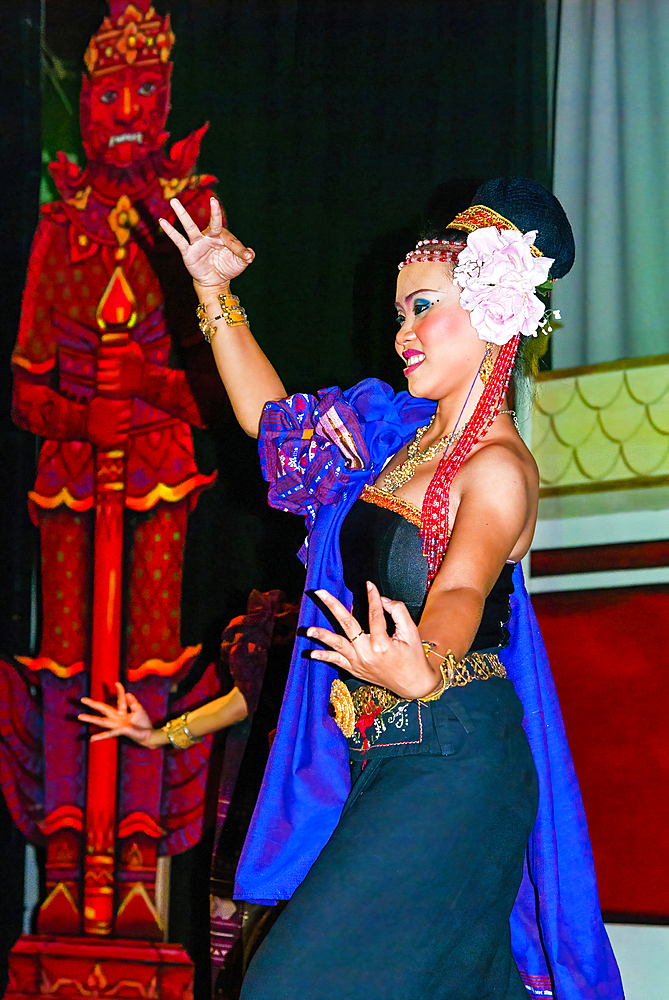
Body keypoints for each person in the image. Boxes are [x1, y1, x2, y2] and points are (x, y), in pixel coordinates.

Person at [97, 178, 623, 999]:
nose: (400, 332)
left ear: (493, 315)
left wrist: (429, 662)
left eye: (421, 308)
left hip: (450, 756)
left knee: (288, 986)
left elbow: (460, 590)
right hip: (384, 752)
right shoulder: (389, 438)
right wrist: (214, 294)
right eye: (400, 313)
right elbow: (268, 420)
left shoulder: (496, 470)